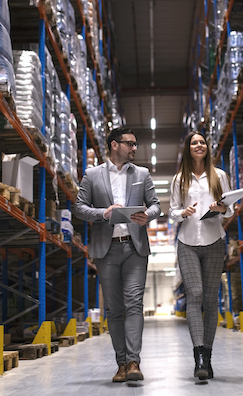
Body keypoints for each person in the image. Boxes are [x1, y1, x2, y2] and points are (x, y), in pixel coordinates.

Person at [74, 127, 161, 382]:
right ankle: (121, 363)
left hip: (134, 247)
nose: (134, 148)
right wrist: (103, 213)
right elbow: (79, 208)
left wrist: (148, 216)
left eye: (135, 144)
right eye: (130, 144)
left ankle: (134, 362)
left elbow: (156, 205)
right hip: (106, 248)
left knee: (134, 303)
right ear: (114, 145)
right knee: (113, 309)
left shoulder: (142, 174)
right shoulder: (92, 175)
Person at [169, 131, 233, 380]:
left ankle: (207, 355)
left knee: (210, 299)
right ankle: (198, 355)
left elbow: (230, 211)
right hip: (187, 242)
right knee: (194, 294)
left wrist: (221, 208)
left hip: (214, 240)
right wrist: (181, 212)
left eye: (202, 142)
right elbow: (172, 211)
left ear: (207, 148)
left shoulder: (219, 176)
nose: (199, 145)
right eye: (194, 142)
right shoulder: (178, 179)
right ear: (188, 148)